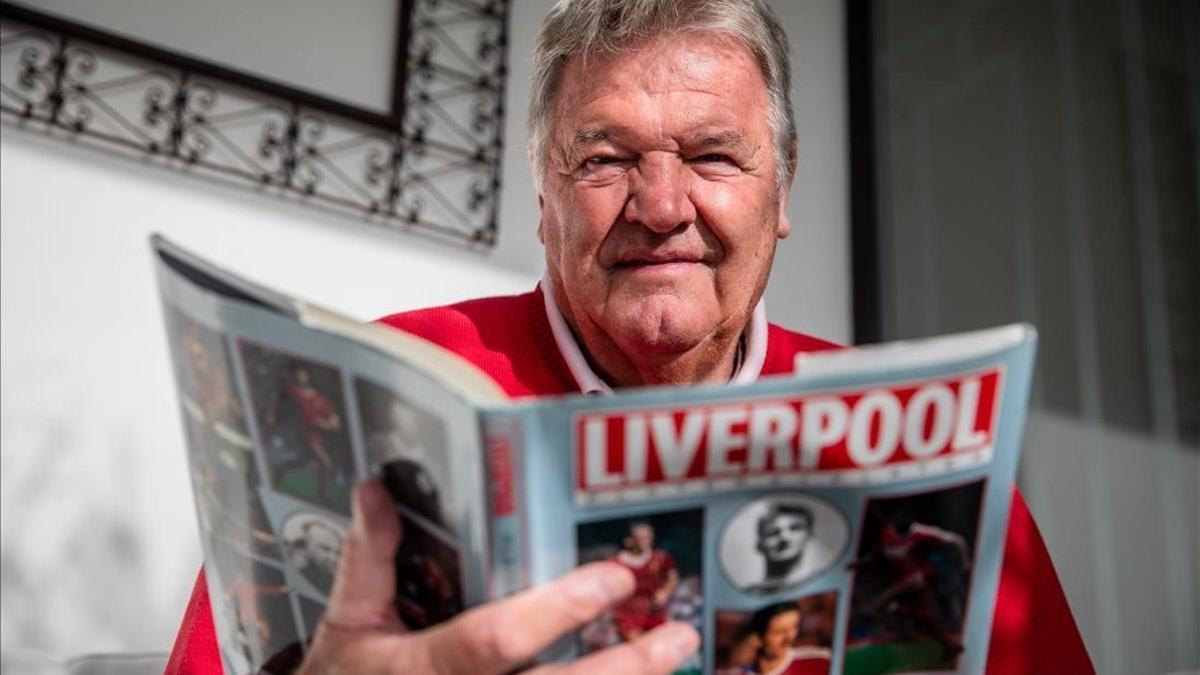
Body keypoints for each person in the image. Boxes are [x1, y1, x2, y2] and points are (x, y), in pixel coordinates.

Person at [165, 1, 1094, 673]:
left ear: (784, 190)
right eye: (603, 159)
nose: (659, 206)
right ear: (544, 198)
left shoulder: (919, 440)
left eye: (712, 155)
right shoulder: (378, 393)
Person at [610, 522, 680, 642]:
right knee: (638, 648)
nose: (646, 542)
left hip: (655, 611)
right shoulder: (616, 563)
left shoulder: (660, 558)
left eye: (649, 538)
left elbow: (672, 577)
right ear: (629, 541)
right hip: (629, 614)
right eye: (641, 539)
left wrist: (665, 592)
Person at [744, 603, 831, 675]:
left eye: (795, 628)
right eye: (779, 632)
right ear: (755, 639)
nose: (790, 638)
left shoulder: (822, 662)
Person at [750, 503, 814, 594]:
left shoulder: (820, 587)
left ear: (810, 535)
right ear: (759, 546)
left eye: (795, 528)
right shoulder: (752, 593)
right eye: (773, 532)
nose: (785, 537)